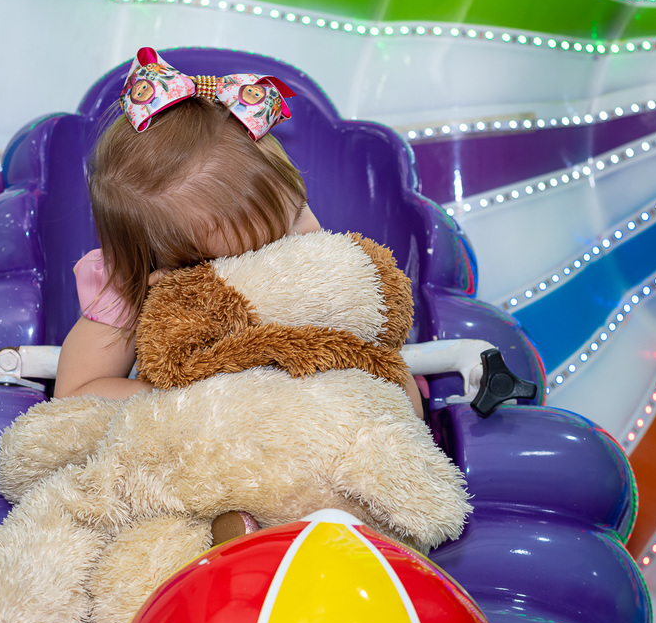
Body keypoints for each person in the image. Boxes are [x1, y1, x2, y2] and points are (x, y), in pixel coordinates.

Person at [54, 50, 424, 419]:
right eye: (255, 256)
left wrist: (383, 385)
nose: (294, 248)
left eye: (298, 212)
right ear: (167, 274)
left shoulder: (326, 280)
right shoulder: (126, 291)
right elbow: (75, 394)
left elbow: (396, 386)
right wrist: (186, 393)